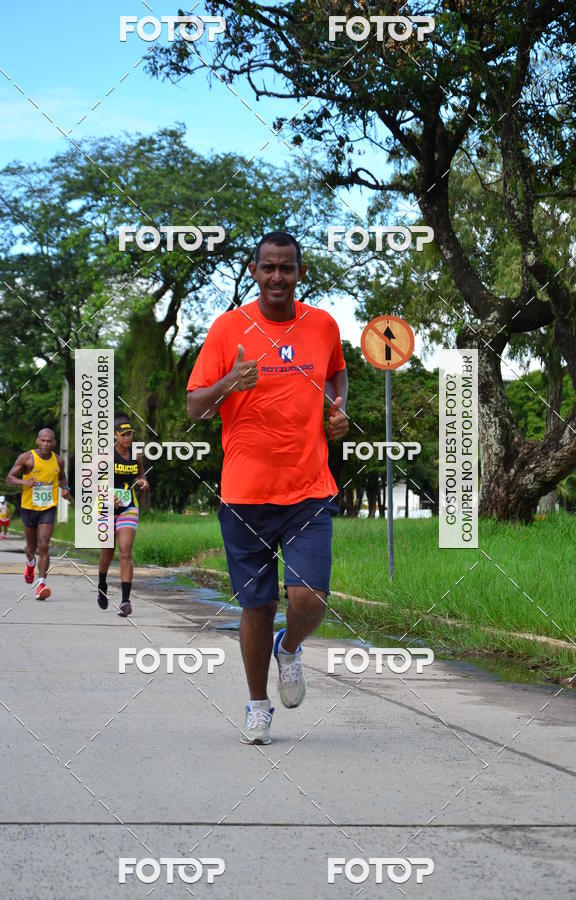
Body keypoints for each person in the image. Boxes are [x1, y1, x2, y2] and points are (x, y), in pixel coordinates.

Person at [186, 231, 349, 745]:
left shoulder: (322, 325)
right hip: (245, 496)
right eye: (268, 268)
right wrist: (230, 382)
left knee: (310, 599)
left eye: (287, 268)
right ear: (253, 271)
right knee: (255, 605)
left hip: (308, 489)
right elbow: (195, 407)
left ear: (300, 273)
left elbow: (338, 376)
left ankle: (291, 647)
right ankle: (258, 707)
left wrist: (337, 407)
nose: (277, 277)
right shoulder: (227, 328)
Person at [5, 428, 70, 600]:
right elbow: (9, 478)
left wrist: (65, 489)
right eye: (43, 440)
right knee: (31, 548)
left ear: (54, 443)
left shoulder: (58, 461)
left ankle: (41, 584)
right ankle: (30, 562)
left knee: (44, 544)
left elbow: (62, 479)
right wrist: (24, 481)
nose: (46, 444)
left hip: (48, 508)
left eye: (49, 441)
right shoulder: (26, 458)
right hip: (28, 508)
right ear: (37, 441)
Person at [97, 415, 148, 617]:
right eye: (123, 435)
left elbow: (140, 475)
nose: (127, 438)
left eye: (130, 435)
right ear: (114, 435)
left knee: (125, 551)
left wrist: (143, 481)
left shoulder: (135, 455)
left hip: (128, 507)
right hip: (106, 508)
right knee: (107, 553)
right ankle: (102, 583)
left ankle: (126, 601)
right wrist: (106, 494)